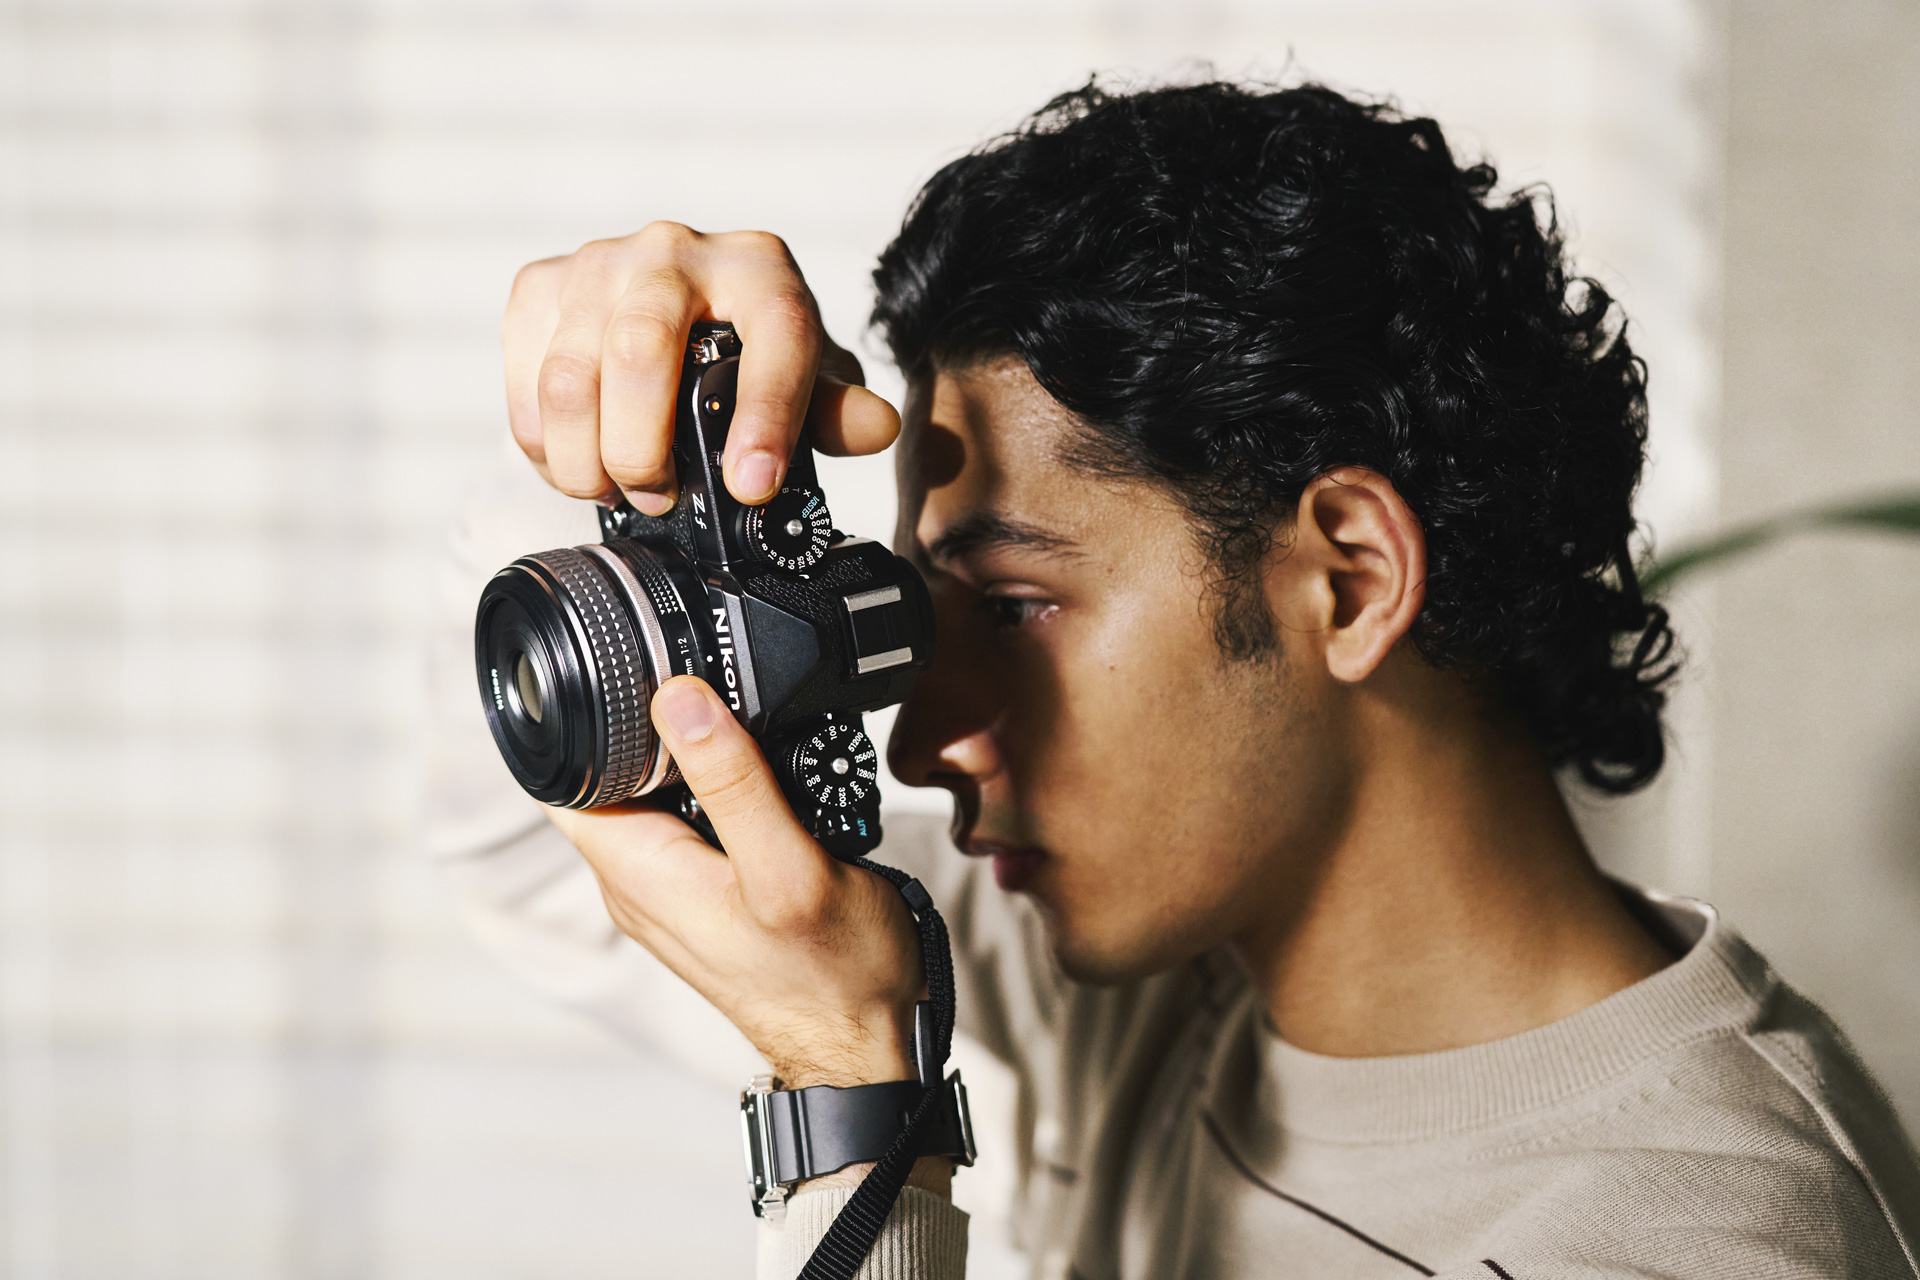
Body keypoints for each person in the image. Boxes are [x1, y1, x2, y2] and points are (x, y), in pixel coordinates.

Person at [425, 81, 1920, 1279]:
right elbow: (521, 836)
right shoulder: (1133, 986)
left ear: (1347, 576)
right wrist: (614, 426)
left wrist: (857, 1103)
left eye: (1009, 609)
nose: (926, 737)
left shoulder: (1700, 1240)